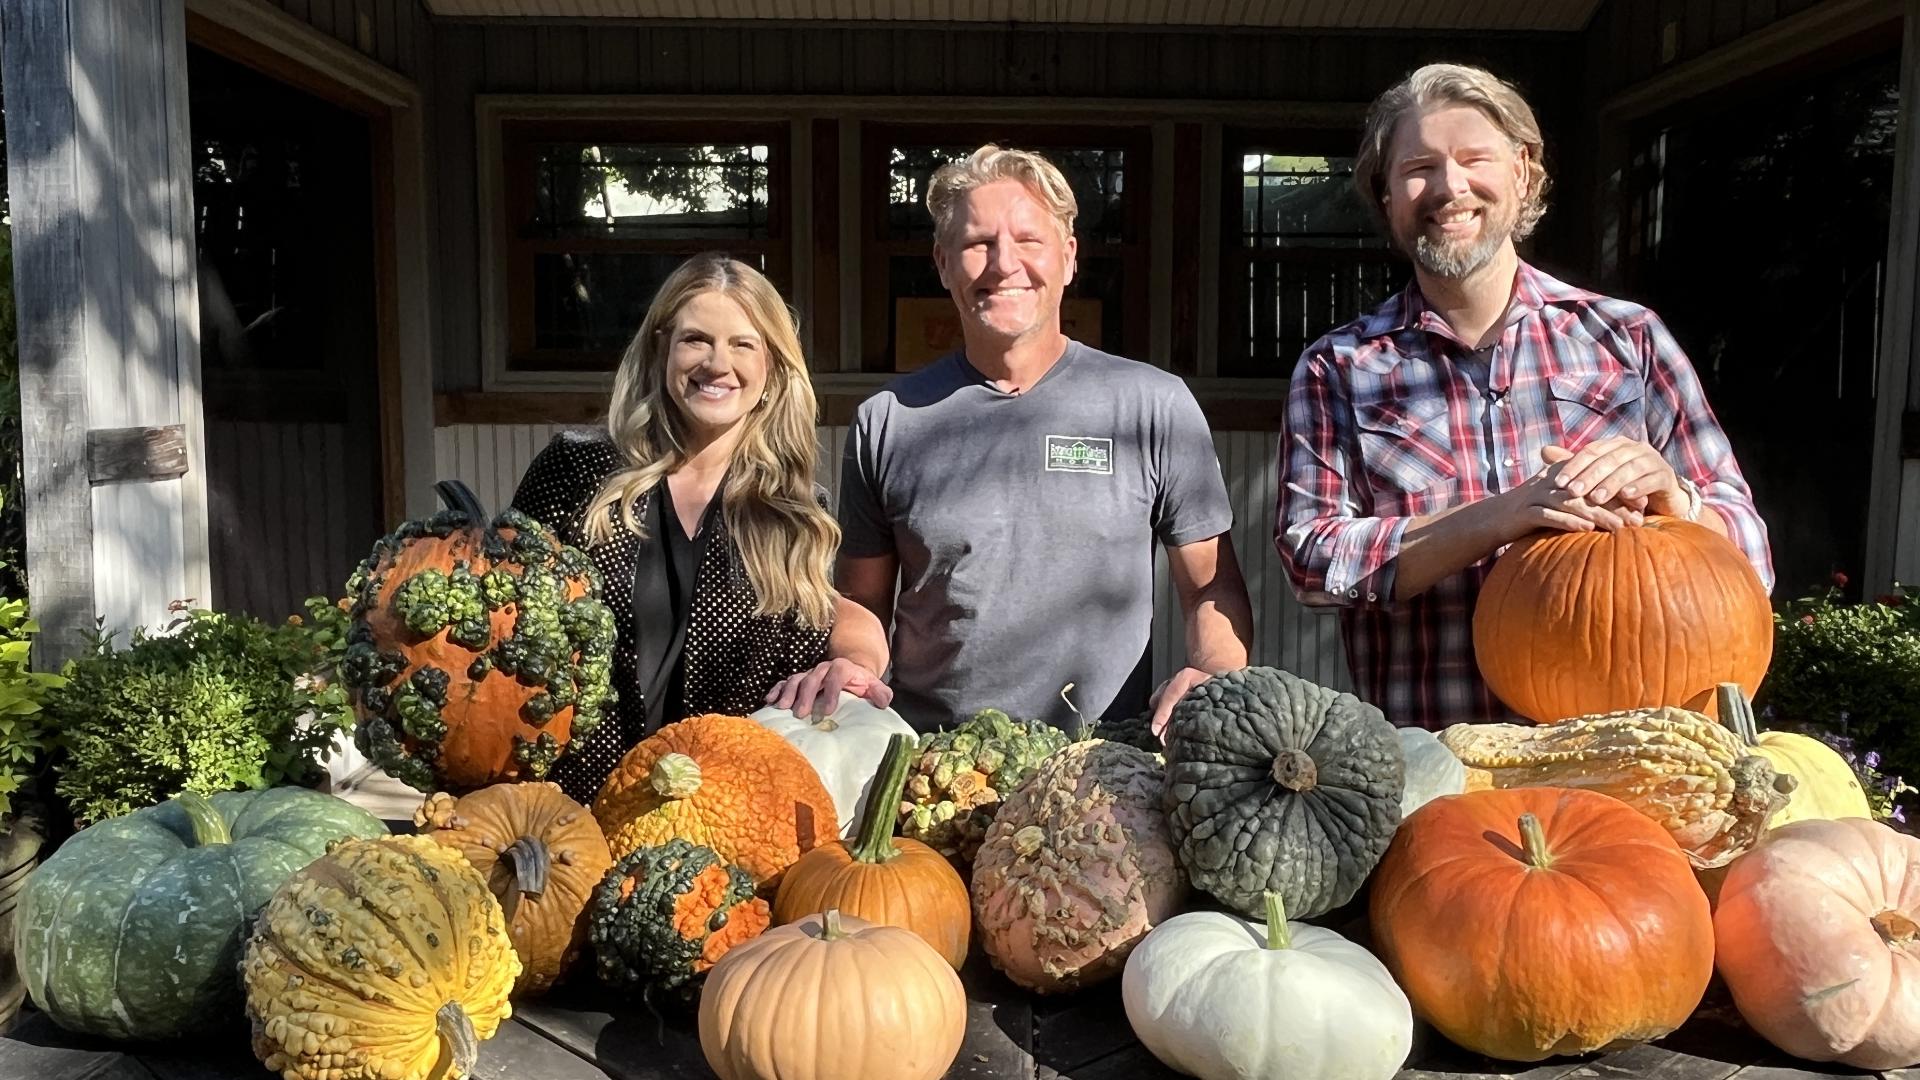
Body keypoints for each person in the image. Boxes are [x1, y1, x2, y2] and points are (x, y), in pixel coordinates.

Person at [1276, 63, 1774, 730]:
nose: (1450, 187)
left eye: (1474, 158)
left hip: (1633, 767)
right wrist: (1498, 518)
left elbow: (1752, 558)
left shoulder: (1629, 339)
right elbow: (1312, 558)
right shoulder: (1339, 368)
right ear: (1386, 194)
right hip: (1438, 770)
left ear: (1524, 173)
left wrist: (1675, 499)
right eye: (1418, 167)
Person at [771, 144, 1253, 736]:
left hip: (1106, 769)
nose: (1004, 264)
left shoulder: (1153, 405)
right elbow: (861, 602)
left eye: (1029, 241)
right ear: (944, 264)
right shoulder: (889, 421)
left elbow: (1210, 585)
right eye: (978, 244)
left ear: (1069, 258)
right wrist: (853, 666)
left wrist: (1215, 674)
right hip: (935, 768)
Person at [510, 253, 890, 805]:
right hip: (571, 808)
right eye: (696, 340)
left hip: (724, 816)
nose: (718, 363)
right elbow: (501, 610)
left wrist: (853, 665)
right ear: (662, 349)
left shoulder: (791, 512)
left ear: (771, 370)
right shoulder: (576, 470)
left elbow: (834, 614)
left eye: (743, 344)